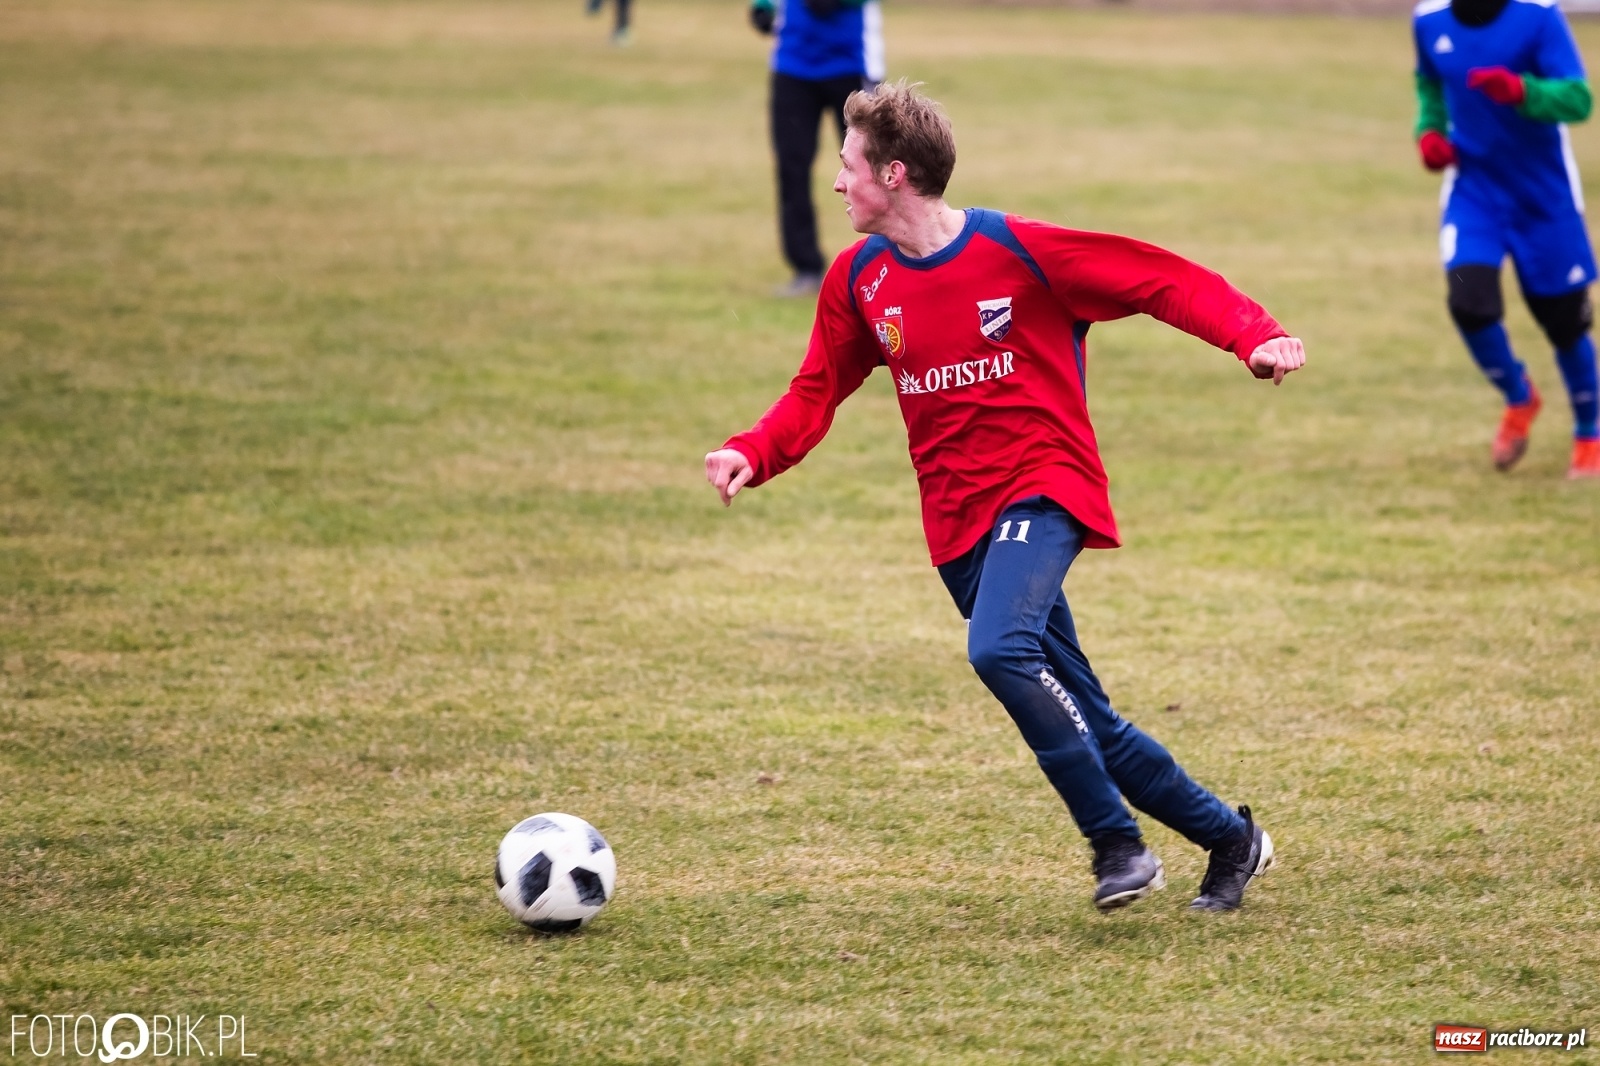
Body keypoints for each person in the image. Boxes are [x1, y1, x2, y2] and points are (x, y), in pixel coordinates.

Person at [704, 82, 1306, 911]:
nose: (837, 182)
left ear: (897, 173)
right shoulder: (858, 281)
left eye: (847, 166)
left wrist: (1253, 336)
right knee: (1086, 718)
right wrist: (750, 450)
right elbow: (815, 392)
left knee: (999, 652)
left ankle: (1117, 846)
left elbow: (1160, 279)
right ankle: (1232, 840)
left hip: (1044, 488)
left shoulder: (1022, 250)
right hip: (958, 529)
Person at [1412, 0, 1600, 478]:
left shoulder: (1539, 17)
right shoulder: (1428, 19)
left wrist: (1522, 91)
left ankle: (1589, 433)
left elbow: (1578, 100)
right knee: (1469, 304)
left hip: (1544, 197)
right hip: (1474, 191)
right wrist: (1429, 132)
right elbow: (1430, 83)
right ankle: (1520, 397)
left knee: (1563, 322)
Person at [749, 0, 885, 297]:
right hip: (793, 64)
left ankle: (891, 260)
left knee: (874, 167)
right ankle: (806, 267)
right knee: (791, 168)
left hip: (853, 62)